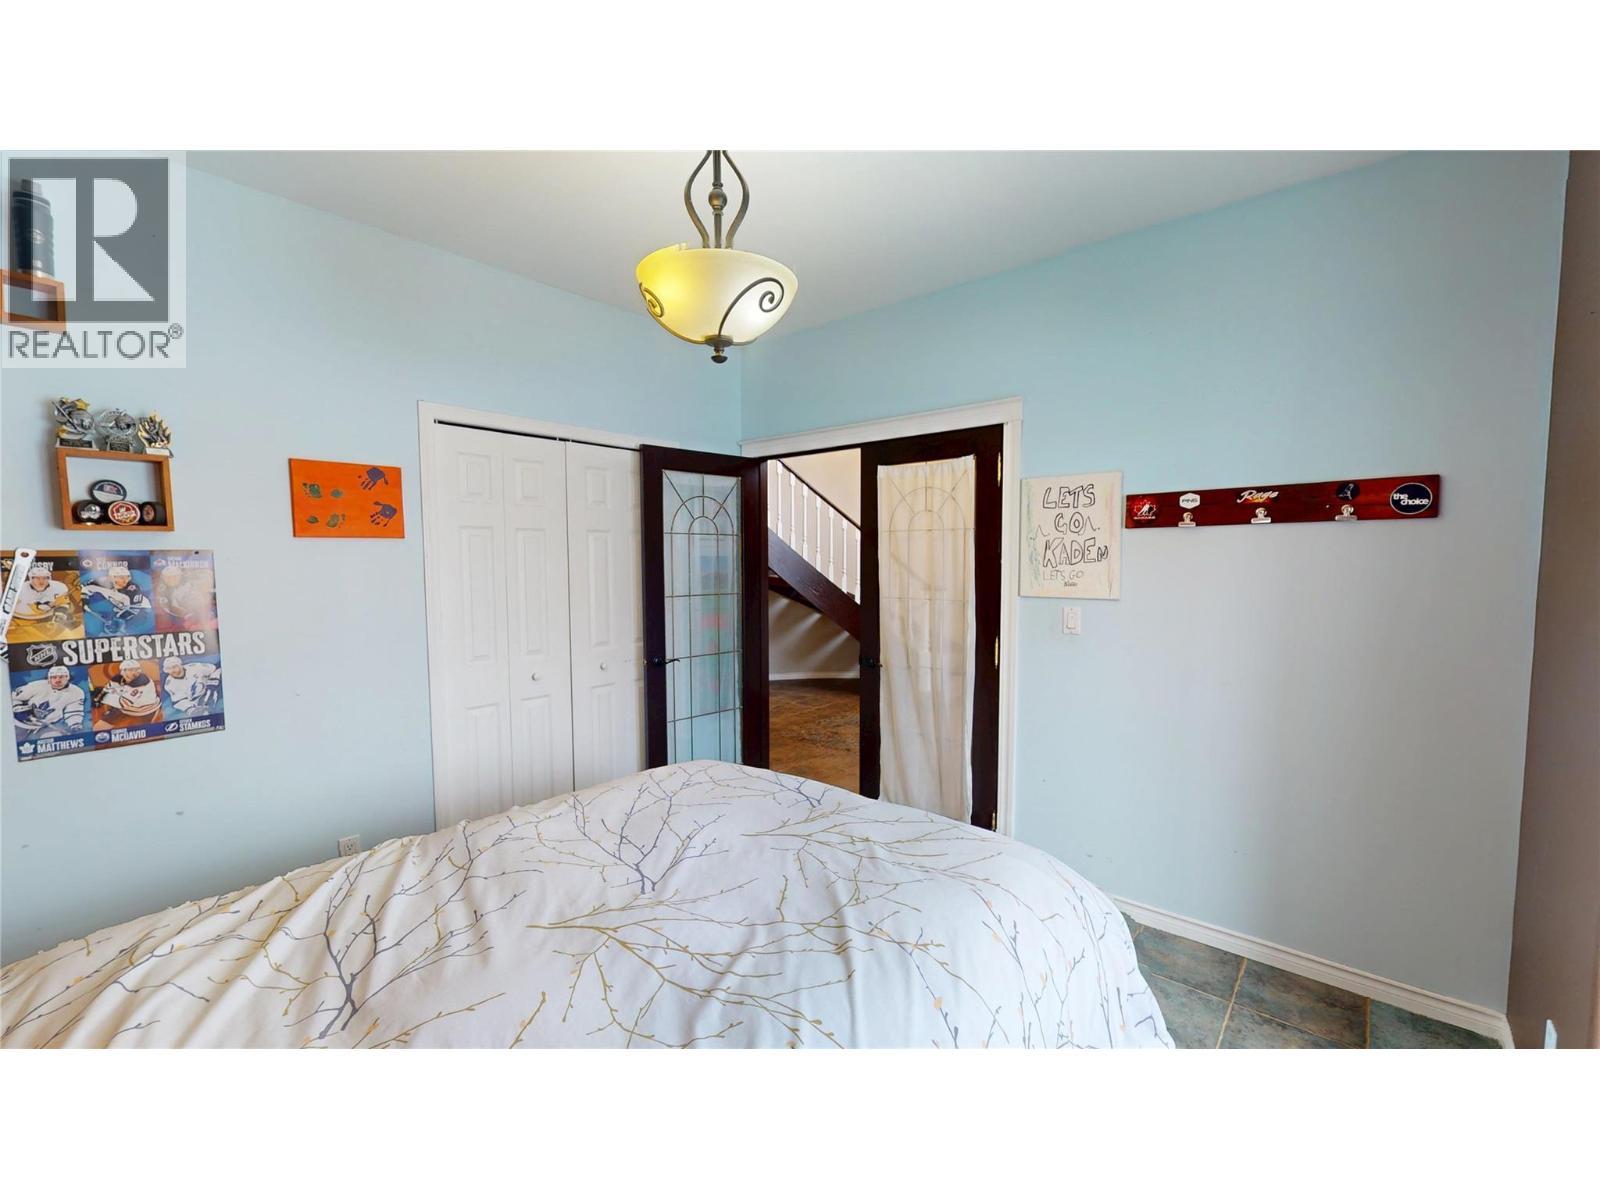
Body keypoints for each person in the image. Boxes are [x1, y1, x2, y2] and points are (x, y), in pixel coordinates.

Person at [12, 666, 87, 736]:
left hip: (46, 725)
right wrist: (18, 708)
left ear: (67, 677)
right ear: (49, 678)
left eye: (61, 677)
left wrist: (75, 724)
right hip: (20, 723)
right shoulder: (36, 686)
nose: (57, 680)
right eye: (54, 677)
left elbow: (74, 710)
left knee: (52, 738)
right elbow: (14, 697)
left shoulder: (76, 692)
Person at [93, 659, 162, 719]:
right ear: (123, 671)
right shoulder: (117, 679)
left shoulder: (142, 681)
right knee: (99, 727)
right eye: (131, 669)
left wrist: (102, 699)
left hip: (146, 710)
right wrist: (99, 696)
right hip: (124, 709)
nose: (136, 672)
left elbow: (124, 703)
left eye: (137, 669)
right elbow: (107, 689)